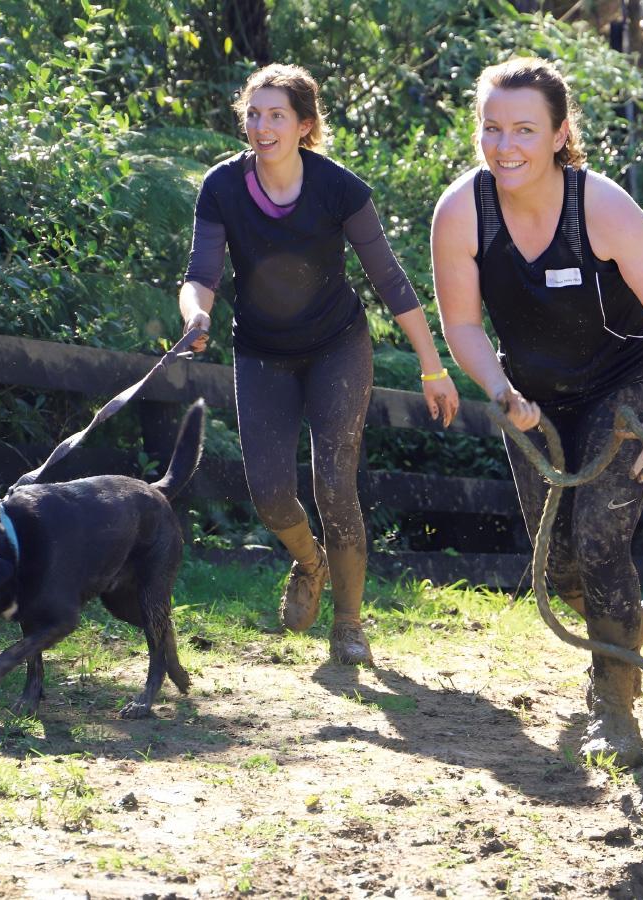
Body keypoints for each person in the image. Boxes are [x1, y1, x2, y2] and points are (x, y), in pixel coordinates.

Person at [430, 57, 643, 765]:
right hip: (532, 398)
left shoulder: (601, 207)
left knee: (601, 540)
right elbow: (461, 325)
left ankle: (612, 705)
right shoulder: (463, 211)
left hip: (627, 385)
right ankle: (623, 627)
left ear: (559, 134)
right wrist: (498, 389)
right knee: (557, 570)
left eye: (524, 129)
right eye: (492, 128)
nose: (505, 145)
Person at [178, 63, 459, 665]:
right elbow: (200, 275)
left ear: (304, 125)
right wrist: (194, 318)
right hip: (261, 352)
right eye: (253, 114)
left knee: (335, 483)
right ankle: (311, 564)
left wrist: (433, 367)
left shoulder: (340, 188)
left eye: (276, 115)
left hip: (338, 346)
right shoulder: (222, 187)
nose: (261, 126)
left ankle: (349, 625)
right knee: (271, 495)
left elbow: (389, 278)